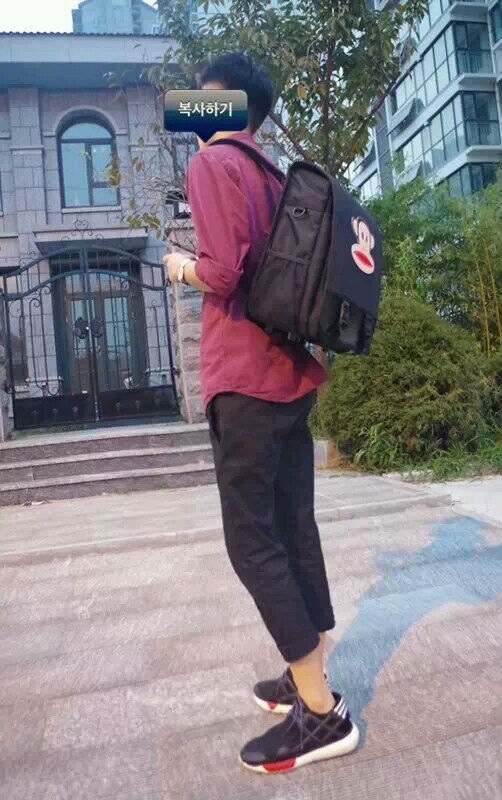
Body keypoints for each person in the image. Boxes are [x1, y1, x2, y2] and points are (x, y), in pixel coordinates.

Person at [163, 51, 359, 774]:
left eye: (200, 100)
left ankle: (321, 712)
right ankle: (307, 675)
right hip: (288, 375)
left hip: (244, 379)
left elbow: (222, 272)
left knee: (253, 543)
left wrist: (178, 265)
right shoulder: (275, 174)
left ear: (224, 105)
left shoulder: (213, 163)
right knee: (291, 526)